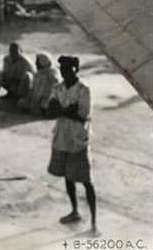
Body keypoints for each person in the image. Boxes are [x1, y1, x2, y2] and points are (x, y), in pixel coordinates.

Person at [46, 56, 97, 231]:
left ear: (76, 69)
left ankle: (94, 222)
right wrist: (68, 109)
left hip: (77, 140)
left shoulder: (84, 90)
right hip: (62, 138)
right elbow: (50, 110)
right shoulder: (58, 88)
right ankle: (75, 211)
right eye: (62, 68)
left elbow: (83, 114)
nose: (64, 72)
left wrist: (62, 110)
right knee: (68, 178)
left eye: (68, 68)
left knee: (86, 180)